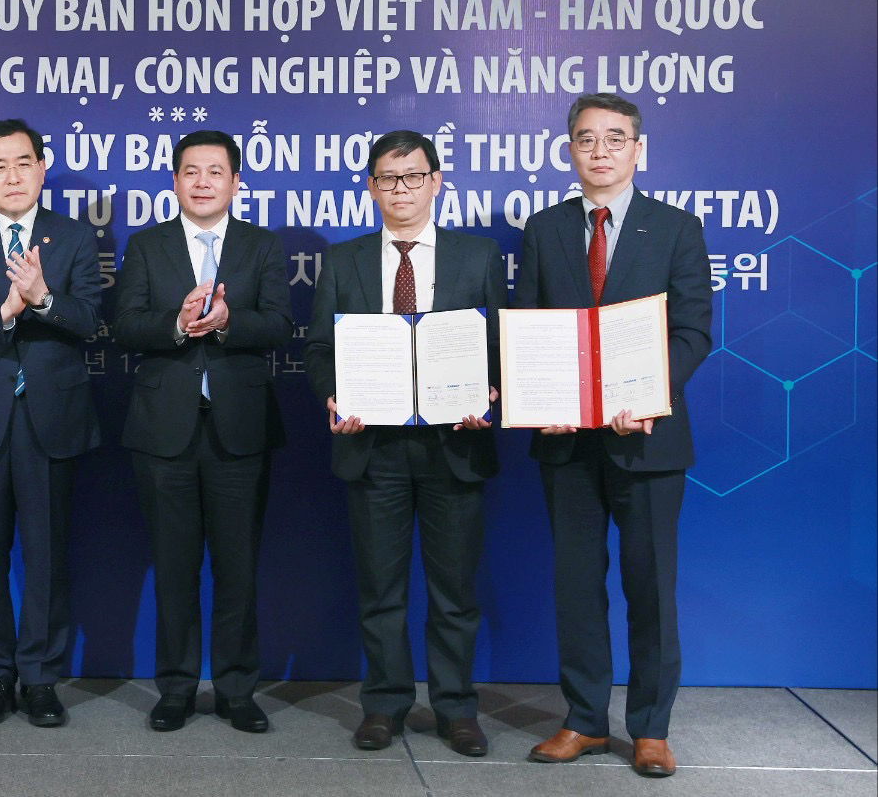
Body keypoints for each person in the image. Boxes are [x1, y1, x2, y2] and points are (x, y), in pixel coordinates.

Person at [515, 94, 711, 778]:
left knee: (650, 584)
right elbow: (530, 327)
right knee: (576, 583)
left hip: (648, 439)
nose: (600, 150)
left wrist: (649, 392)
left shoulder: (677, 228)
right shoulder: (543, 230)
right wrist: (540, 396)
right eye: (585, 139)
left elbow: (693, 330)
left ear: (638, 149)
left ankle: (651, 726)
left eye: (614, 138)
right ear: (568, 150)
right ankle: (584, 720)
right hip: (567, 441)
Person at [304, 130, 504, 755]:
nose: (401, 190)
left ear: (436, 182)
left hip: (455, 445)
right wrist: (332, 395)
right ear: (370, 187)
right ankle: (385, 705)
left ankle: (455, 707)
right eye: (388, 179)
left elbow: (497, 345)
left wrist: (487, 394)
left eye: (413, 177)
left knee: (454, 591)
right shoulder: (345, 260)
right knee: (380, 589)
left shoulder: (478, 257)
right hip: (374, 448)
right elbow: (317, 348)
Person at [113, 130, 292, 734]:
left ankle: (238, 688)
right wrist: (176, 322)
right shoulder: (146, 245)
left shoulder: (262, 245)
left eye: (216, 172)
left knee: (238, 565)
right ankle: (177, 687)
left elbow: (281, 324)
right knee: (174, 564)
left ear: (236, 182)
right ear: (174, 181)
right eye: (191, 171)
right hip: (164, 431)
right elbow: (125, 326)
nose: (203, 182)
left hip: (239, 430)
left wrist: (226, 322)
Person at [0, 118, 100, 728]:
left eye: (23, 162)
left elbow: (88, 319)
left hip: (51, 417)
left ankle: (40, 679)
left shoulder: (75, 237)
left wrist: (43, 298)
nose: (12, 175)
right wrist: (4, 310)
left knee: (47, 555)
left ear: (40, 167)